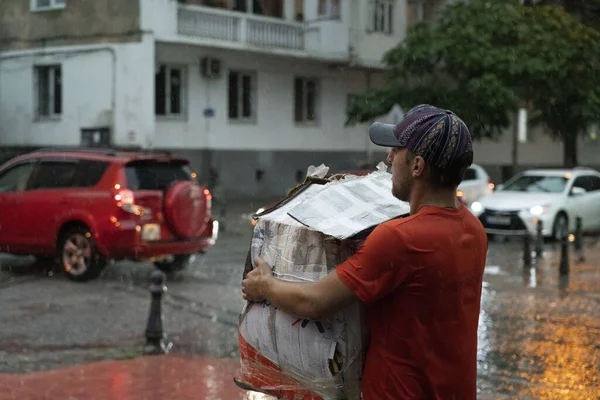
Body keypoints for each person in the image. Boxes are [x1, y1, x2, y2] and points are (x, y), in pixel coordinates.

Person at [242, 104, 488, 399]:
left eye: (396, 151)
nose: (388, 158)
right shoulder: (473, 231)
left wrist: (264, 285)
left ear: (417, 166)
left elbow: (315, 303)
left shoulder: (399, 239)